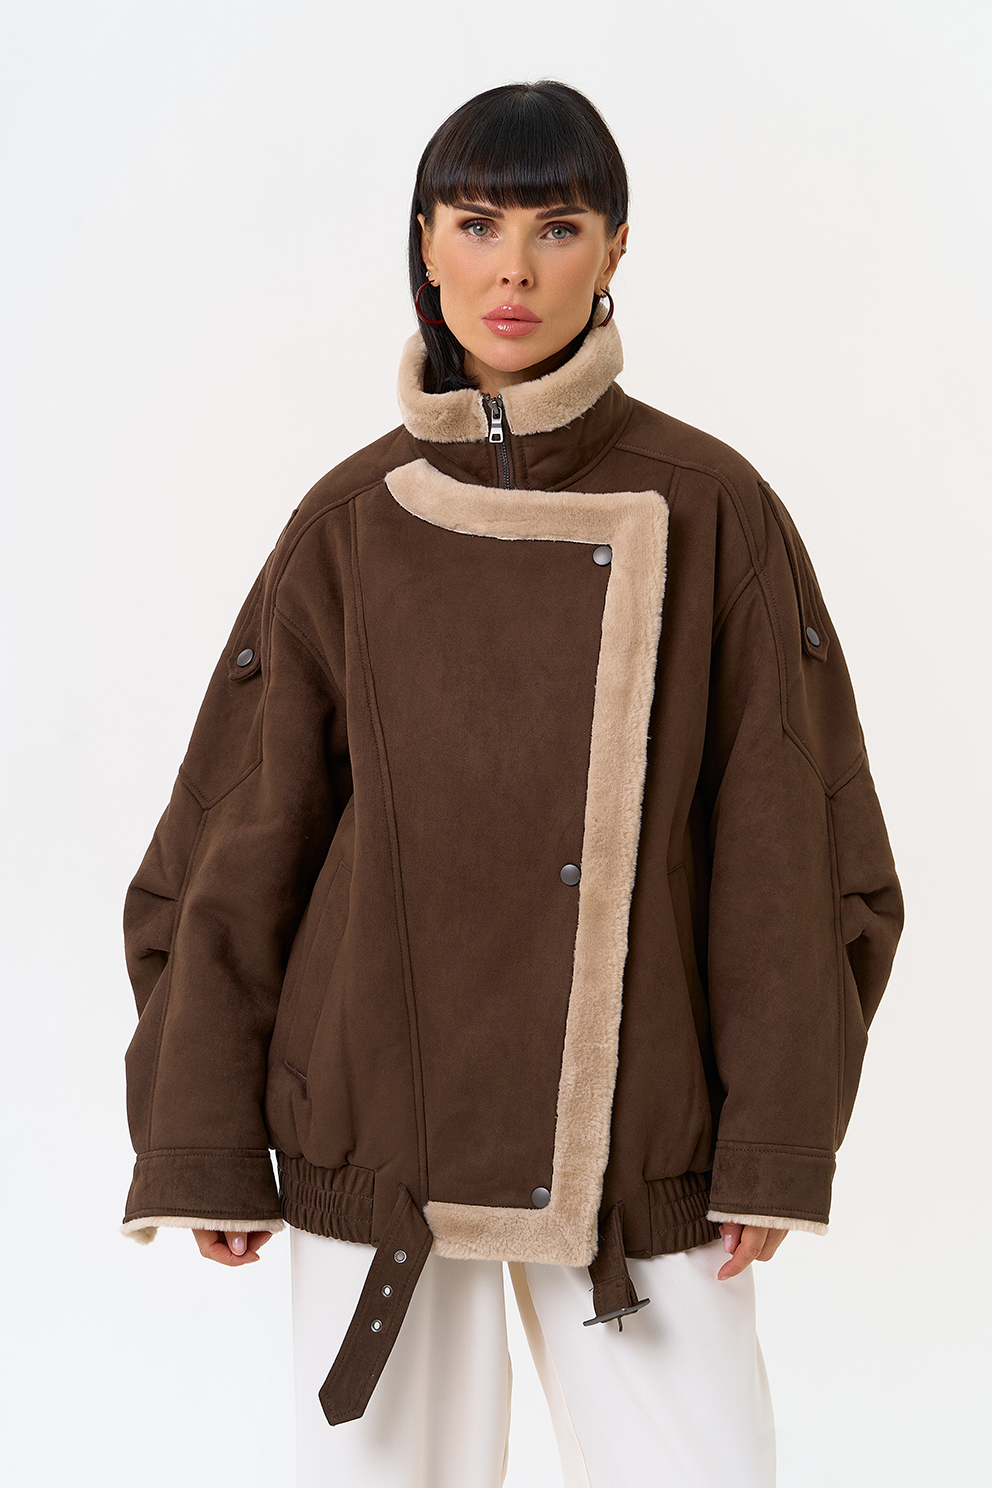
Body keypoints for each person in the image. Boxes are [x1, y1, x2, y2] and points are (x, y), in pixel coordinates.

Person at [120, 80, 903, 1487]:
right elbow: (238, 836)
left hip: (643, 1132)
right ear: (426, 244)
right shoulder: (348, 523)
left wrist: (775, 1141)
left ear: (616, 249)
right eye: (478, 224)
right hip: (377, 1124)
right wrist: (202, 1137)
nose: (515, 271)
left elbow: (793, 838)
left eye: (559, 227)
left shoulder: (713, 506)